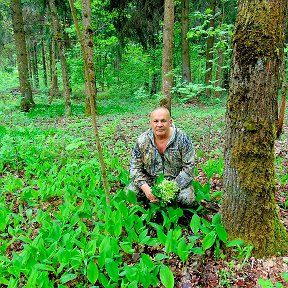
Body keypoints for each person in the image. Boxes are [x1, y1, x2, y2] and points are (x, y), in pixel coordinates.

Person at [127, 107, 195, 205]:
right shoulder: (142, 141)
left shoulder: (183, 139)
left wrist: (169, 190)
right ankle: (149, 206)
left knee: (186, 199)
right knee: (130, 193)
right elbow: (134, 169)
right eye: (156, 121)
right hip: (150, 181)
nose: (159, 125)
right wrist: (146, 188)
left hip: (175, 182)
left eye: (163, 121)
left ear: (170, 122)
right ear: (150, 123)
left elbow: (189, 168)